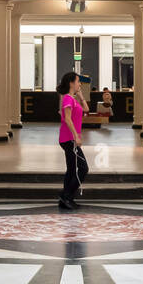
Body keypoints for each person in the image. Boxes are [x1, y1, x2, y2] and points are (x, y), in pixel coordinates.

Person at [57, 71, 88, 210]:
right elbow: (67, 119)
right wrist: (76, 136)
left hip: (69, 138)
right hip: (69, 138)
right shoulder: (67, 99)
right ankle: (66, 196)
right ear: (71, 83)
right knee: (83, 168)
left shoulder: (72, 99)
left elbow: (86, 109)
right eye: (77, 81)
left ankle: (66, 198)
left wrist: (81, 96)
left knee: (71, 169)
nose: (79, 84)